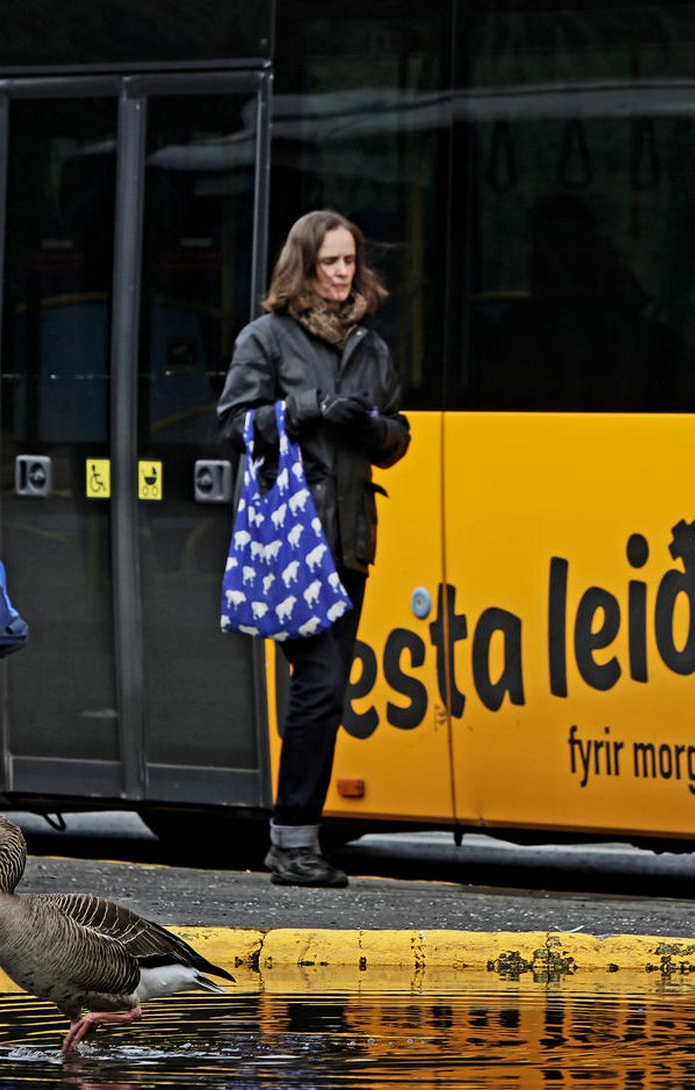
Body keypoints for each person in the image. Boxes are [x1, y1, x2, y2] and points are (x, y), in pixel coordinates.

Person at [217, 210, 410, 888]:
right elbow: (231, 424)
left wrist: (375, 427)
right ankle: (292, 842)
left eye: (350, 261)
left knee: (328, 694)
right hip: (293, 541)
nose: (342, 273)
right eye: (330, 261)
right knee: (320, 683)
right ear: (303, 266)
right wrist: (302, 412)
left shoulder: (370, 346)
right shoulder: (265, 338)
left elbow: (397, 437)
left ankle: (299, 840)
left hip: (350, 540)